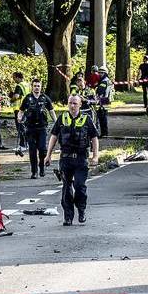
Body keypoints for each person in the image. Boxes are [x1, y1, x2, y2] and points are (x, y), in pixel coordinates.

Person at [45, 95, 99, 225]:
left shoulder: (87, 119)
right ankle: (68, 217)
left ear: (80, 105)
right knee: (66, 188)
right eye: (70, 103)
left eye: (75, 103)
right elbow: (54, 136)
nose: (72, 106)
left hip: (81, 159)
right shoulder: (62, 118)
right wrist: (48, 155)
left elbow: (94, 138)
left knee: (80, 186)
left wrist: (95, 156)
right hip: (65, 158)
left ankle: (81, 210)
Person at [18, 79, 55, 179]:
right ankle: (34, 172)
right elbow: (21, 110)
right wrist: (19, 117)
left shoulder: (44, 98)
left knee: (42, 149)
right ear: (32, 87)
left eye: (38, 86)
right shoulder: (28, 98)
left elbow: (51, 111)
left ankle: (41, 167)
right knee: (32, 151)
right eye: (35, 86)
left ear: (41, 86)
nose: (36, 87)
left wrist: (56, 122)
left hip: (42, 128)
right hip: (30, 128)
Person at [11, 72, 31, 155]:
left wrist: (11, 99)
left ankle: (23, 145)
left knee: (20, 127)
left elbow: (16, 96)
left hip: (19, 108)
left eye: (14, 77)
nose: (13, 79)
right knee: (25, 126)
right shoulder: (27, 85)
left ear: (18, 77)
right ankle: (27, 144)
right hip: (27, 107)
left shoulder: (19, 86)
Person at [95, 66, 113, 137]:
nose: (99, 74)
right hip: (106, 99)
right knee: (103, 117)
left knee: (102, 117)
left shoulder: (104, 81)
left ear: (105, 73)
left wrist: (96, 88)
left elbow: (100, 91)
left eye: (101, 73)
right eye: (99, 73)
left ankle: (104, 133)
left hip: (103, 100)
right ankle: (104, 133)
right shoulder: (107, 80)